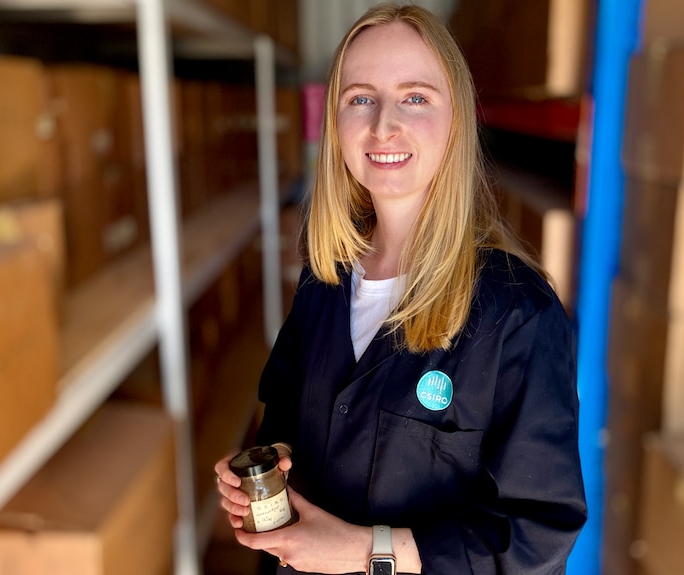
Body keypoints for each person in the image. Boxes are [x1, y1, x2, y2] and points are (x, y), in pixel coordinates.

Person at [215, 4, 587, 574]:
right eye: (359, 97)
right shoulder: (326, 274)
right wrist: (273, 464)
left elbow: (535, 537)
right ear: (334, 121)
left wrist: (368, 551)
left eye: (415, 97)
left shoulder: (517, 314)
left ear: (456, 118)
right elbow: (286, 407)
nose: (383, 124)